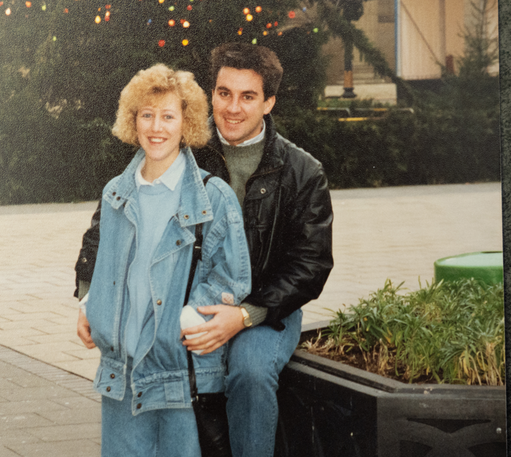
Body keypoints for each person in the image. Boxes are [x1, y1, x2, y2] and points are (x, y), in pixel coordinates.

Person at [76, 43, 334, 457]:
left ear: (269, 102)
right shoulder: (183, 144)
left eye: (248, 96)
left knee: (249, 372)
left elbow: (311, 264)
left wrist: (246, 314)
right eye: (223, 93)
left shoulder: (302, 171)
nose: (232, 107)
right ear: (210, 95)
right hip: (184, 300)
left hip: (264, 309)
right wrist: (91, 297)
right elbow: (106, 226)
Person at [75, 63, 251, 457]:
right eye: (147, 115)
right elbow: (101, 261)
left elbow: (233, 276)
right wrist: (92, 305)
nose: (157, 127)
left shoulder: (214, 196)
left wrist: (189, 319)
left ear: (185, 123)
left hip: (178, 375)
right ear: (132, 120)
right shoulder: (116, 193)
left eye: (168, 116)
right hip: (121, 374)